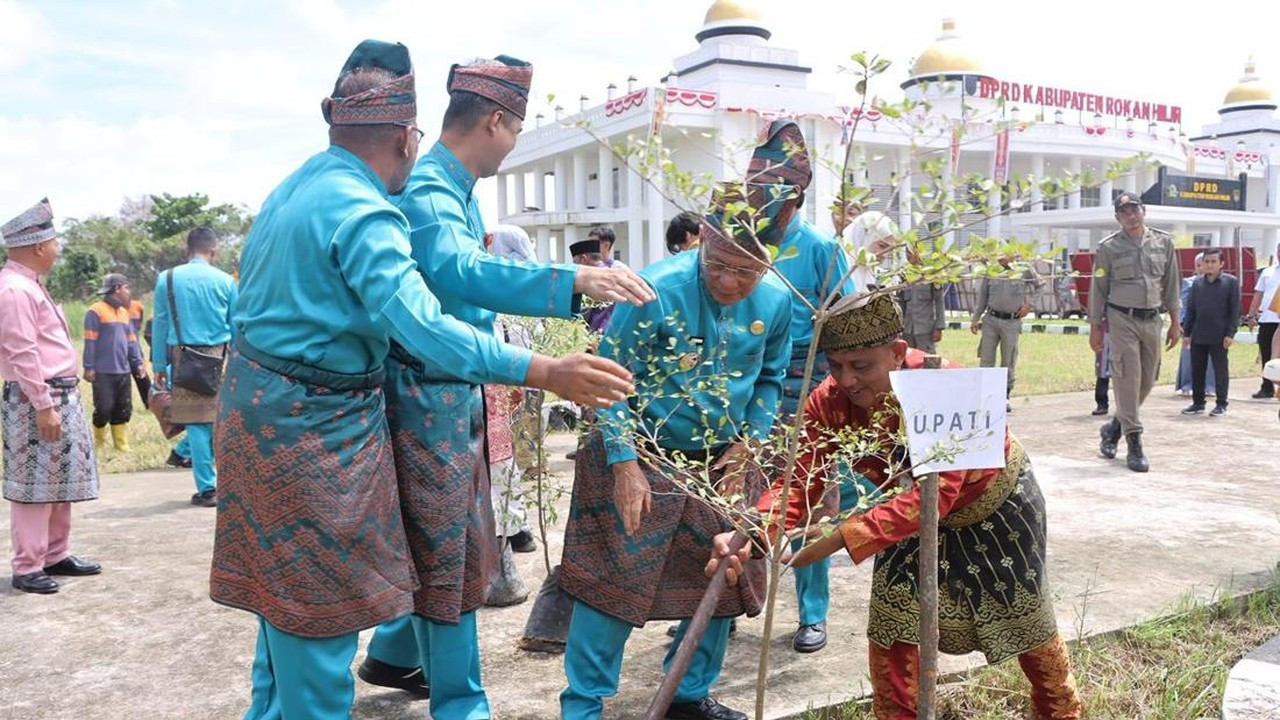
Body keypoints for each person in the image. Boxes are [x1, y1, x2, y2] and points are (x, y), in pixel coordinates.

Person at [207, 40, 635, 720]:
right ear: (406, 138)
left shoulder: (297, 185)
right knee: (323, 616)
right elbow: (428, 321)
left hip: (257, 413)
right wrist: (547, 367)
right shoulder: (372, 210)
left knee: (287, 607)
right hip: (317, 435)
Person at [354, 54, 654, 717]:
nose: (514, 144)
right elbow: (461, 271)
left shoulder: (452, 187)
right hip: (428, 392)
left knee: (452, 542)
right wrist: (573, 281)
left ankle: (396, 653)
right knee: (451, 553)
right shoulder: (432, 191)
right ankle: (461, 705)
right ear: (496, 120)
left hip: (452, 385)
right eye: (516, 130)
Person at [709, 293, 1083, 720]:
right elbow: (800, 482)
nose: (846, 381)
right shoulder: (828, 402)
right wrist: (753, 533)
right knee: (893, 630)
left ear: (898, 353)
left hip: (994, 508)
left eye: (861, 366)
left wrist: (841, 537)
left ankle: (1062, 713)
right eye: (836, 365)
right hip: (899, 515)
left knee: (1027, 624)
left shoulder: (947, 387)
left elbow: (938, 495)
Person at [558, 184, 795, 720]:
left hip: (722, 458)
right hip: (640, 448)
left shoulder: (779, 302)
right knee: (612, 582)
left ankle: (689, 696)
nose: (729, 282)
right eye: (717, 266)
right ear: (701, 242)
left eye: (746, 271)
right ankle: (583, 706)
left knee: (721, 572)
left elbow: (771, 380)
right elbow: (610, 381)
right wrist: (624, 462)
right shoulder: (654, 291)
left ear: (766, 263)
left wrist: (750, 443)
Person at [745, 119, 856, 654]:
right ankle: (731, 602)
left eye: (768, 194)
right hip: (749, 397)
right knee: (739, 502)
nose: (758, 202)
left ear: (793, 197)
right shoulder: (745, 243)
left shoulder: (820, 248)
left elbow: (850, 320)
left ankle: (813, 614)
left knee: (810, 507)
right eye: (753, 192)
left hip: (807, 398)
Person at [1, 198, 102, 595]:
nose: (59, 250)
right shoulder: (14, 290)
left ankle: (55, 554)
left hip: (58, 394)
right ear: (39, 246)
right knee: (33, 485)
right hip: (35, 399)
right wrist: (43, 404)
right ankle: (27, 565)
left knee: (60, 480)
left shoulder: (29, 285)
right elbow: (21, 351)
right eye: (56, 243)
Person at [1088, 192, 1180, 473]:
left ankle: (1114, 427)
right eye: (1124, 212)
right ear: (1118, 217)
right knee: (1127, 378)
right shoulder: (1109, 248)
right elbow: (1098, 289)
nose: (1130, 215)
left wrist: (1176, 321)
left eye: (1134, 209)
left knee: (1148, 380)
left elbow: (1171, 283)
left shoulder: (1163, 242)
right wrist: (1094, 327)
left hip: (1153, 318)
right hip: (1121, 319)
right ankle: (1134, 442)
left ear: (1144, 211)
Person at [151, 227, 236, 507]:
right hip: (220, 358)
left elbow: (160, 324)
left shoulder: (167, 278)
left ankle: (208, 488)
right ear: (214, 251)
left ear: (188, 251)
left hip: (183, 357)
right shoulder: (226, 281)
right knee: (218, 420)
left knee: (198, 425)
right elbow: (236, 325)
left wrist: (158, 364)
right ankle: (225, 483)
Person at [83, 273, 146, 451]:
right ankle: (99, 443)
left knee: (123, 407)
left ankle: (121, 444)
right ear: (117, 289)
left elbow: (132, 341)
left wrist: (138, 363)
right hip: (103, 371)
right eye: (126, 287)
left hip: (123, 371)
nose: (129, 292)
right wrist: (88, 367)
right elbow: (90, 342)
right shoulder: (95, 311)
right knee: (104, 408)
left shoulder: (125, 313)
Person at [970, 255, 1040, 411]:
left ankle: (1005, 396)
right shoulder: (992, 270)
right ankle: (986, 395)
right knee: (986, 359)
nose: (1000, 258)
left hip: (1012, 321)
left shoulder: (1023, 269)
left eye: (1003, 254)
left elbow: (1040, 286)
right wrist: (975, 318)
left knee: (1008, 360)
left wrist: (1029, 305)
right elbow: (983, 296)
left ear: (1012, 255)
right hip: (991, 319)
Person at [1181, 248, 1240, 417]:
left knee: (1220, 370)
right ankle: (1198, 403)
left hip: (1220, 336)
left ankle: (1221, 404)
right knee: (1197, 370)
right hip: (1199, 334)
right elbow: (1191, 310)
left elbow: (1234, 310)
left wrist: (1230, 333)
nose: (1209, 265)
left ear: (1221, 264)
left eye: (1213, 261)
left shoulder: (1230, 282)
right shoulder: (1197, 284)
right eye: (1206, 261)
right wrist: (1187, 334)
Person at [1175, 254, 1216, 396]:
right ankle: (1187, 385)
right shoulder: (1189, 282)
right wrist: (1182, 323)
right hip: (1192, 325)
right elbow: (1184, 305)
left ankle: (1210, 386)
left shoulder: (1219, 283)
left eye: (1203, 264)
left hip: (1212, 325)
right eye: (1198, 265)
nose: (1202, 268)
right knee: (1189, 355)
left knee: (1211, 357)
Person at [1247, 246, 1279, 399]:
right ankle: (1267, 387)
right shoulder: (1267, 272)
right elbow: (1258, 295)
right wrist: (1251, 315)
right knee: (1266, 354)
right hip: (1267, 319)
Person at [899, 247, 946, 352]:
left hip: (925, 329)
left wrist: (939, 327)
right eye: (906, 253)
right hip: (908, 329)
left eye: (910, 253)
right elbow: (901, 302)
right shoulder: (904, 274)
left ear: (918, 252)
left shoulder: (931, 273)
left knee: (927, 361)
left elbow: (939, 302)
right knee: (908, 362)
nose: (908, 256)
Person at [128, 296, 152, 407]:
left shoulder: (137, 305)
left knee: (141, 374)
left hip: (134, 345)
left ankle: (149, 402)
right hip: (118, 348)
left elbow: (139, 327)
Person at [1092, 317, 1111, 416]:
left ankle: (1127, 406)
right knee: (1103, 369)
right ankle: (1102, 403)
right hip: (1106, 327)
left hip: (1126, 328)